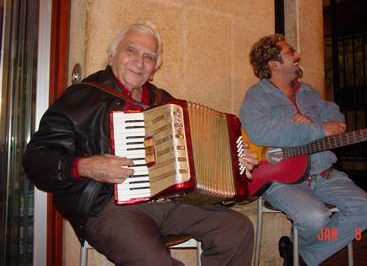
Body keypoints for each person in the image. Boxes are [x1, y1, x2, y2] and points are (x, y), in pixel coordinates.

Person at [23, 23, 258, 266]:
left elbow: (194, 157)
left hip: (170, 201)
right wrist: (85, 166)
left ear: (154, 69)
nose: (139, 61)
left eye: (149, 57)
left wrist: (232, 160)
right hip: (107, 207)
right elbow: (36, 160)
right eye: (131, 50)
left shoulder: (164, 102)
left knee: (237, 230)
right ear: (112, 55)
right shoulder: (80, 98)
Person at [240, 34, 367, 266]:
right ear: (273, 64)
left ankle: (301, 257)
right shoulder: (257, 96)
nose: (298, 56)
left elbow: (335, 116)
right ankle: (303, 254)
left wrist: (328, 125)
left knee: (366, 209)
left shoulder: (308, 92)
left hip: (324, 174)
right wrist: (315, 129)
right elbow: (260, 132)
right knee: (315, 218)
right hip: (282, 180)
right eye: (290, 52)